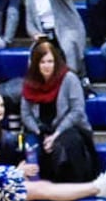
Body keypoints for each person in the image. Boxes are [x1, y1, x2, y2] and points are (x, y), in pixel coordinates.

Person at [0, 89, 106, 201]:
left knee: (41, 185)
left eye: (1, 105)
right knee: (40, 189)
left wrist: (16, 170)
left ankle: (97, 187)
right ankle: (96, 188)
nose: (0, 109)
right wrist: (15, 172)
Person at [21, 40, 99, 184]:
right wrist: (40, 133)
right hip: (39, 130)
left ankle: (72, 185)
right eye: (42, 62)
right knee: (29, 150)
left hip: (69, 128)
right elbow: (26, 114)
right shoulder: (29, 82)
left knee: (64, 145)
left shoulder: (69, 78)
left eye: (50, 61)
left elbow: (77, 111)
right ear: (36, 64)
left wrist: (55, 135)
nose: (46, 66)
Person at [17, 0, 89, 85]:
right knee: (37, 54)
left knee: (68, 47)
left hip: (67, 27)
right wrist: (35, 34)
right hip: (45, 33)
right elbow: (30, 24)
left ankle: (79, 80)